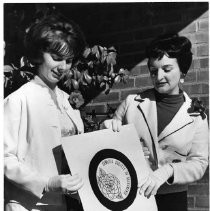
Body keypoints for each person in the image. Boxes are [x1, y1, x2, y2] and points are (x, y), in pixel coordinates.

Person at [101, 33, 209, 211]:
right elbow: (108, 146)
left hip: (172, 200)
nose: (158, 77)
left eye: (166, 69)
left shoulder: (197, 115)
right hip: (131, 194)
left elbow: (199, 164)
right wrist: (106, 129)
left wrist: (168, 171)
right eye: (153, 71)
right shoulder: (131, 103)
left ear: (182, 70)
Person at [4, 14, 86, 211]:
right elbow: (3, 158)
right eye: (56, 58)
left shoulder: (67, 100)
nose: (63, 67)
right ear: (40, 53)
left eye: (68, 61)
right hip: (28, 205)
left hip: (66, 204)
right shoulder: (18, 100)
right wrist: (46, 182)